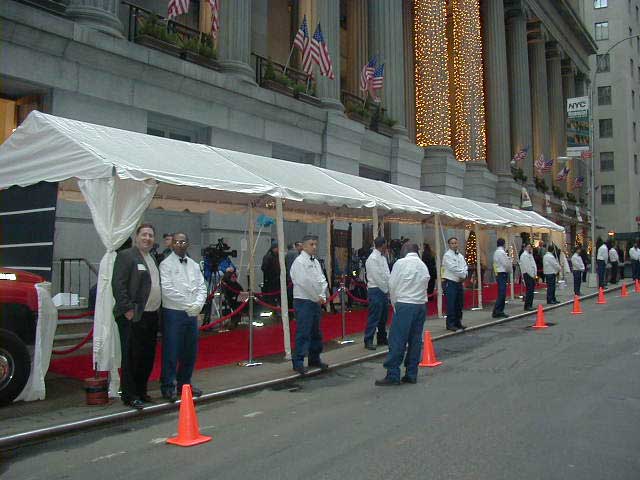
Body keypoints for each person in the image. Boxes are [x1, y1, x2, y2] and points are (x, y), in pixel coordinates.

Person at [111, 224, 161, 410]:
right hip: (133, 315)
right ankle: (129, 395)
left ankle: (141, 391)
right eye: (144, 234)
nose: (147, 238)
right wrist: (127, 309)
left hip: (150, 315)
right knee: (132, 356)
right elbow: (118, 284)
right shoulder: (126, 256)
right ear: (137, 237)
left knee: (147, 356)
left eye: (151, 235)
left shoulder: (151, 258)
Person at [160, 232, 207, 402]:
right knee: (171, 351)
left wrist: (198, 305)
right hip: (174, 313)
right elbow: (167, 289)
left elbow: (202, 286)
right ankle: (168, 386)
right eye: (177, 242)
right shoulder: (165, 265)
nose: (180, 244)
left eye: (183, 241)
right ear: (172, 244)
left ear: (188, 244)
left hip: (191, 314)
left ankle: (184, 384)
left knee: (190, 352)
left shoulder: (194, 265)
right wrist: (189, 304)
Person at [375, 243, 430, 386]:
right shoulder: (422, 265)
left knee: (397, 340)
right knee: (415, 340)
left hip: (405, 303)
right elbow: (426, 285)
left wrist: (395, 304)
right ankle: (411, 373)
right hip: (420, 305)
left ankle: (393, 374)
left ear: (405, 250)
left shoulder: (401, 263)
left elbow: (392, 285)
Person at [290, 234, 329, 375]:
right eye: (311, 244)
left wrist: (322, 295)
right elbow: (303, 282)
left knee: (316, 332)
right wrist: (316, 297)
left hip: (315, 301)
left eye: (315, 244)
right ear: (304, 246)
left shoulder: (316, 262)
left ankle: (314, 358)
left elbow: (322, 279)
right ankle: (298, 361)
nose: (314, 247)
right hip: (304, 300)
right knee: (303, 331)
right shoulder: (299, 262)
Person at [363, 236, 391, 350]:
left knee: (383, 316)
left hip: (383, 289)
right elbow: (377, 277)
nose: (386, 247)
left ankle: (382, 338)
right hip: (376, 289)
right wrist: (386, 289)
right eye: (385, 244)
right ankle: (368, 339)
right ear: (382, 245)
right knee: (374, 316)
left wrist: (388, 286)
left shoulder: (382, 257)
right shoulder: (372, 259)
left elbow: (387, 273)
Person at [442, 237, 468, 332]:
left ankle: (458, 322)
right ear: (449, 245)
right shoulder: (447, 256)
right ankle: (450, 324)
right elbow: (453, 268)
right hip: (450, 282)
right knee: (451, 304)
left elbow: (465, 266)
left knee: (459, 303)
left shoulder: (460, 255)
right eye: (452, 243)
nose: (454, 245)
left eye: (455, 243)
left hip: (459, 282)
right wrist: (462, 274)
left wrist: (464, 274)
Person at [492, 238, 512, 319]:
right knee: (502, 293)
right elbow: (506, 264)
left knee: (501, 292)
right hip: (502, 273)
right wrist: (509, 270)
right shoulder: (501, 252)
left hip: (499, 273)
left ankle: (498, 310)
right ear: (503, 244)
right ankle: (498, 311)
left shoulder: (496, 252)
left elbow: (495, 264)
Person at [261, 240, 281, 305]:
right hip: (270, 280)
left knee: (276, 296)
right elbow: (264, 268)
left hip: (276, 280)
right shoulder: (268, 257)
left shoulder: (277, 256)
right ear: (274, 248)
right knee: (271, 297)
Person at [285, 241, 303, 311]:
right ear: (296, 246)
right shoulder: (295, 254)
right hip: (294, 279)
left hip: (289, 278)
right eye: (300, 246)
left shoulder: (287, 254)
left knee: (290, 296)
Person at [519, 243, 537, 311]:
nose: (530, 248)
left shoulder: (530, 255)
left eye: (530, 247)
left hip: (531, 274)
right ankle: (527, 305)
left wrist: (534, 274)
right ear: (525, 247)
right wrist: (532, 275)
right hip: (528, 274)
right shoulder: (524, 255)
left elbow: (533, 264)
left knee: (531, 290)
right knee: (529, 290)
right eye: (528, 247)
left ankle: (530, 305)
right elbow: (528, 267)